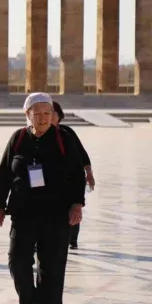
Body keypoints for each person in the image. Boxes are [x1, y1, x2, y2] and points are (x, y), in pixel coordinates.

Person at [0, 92, 86, 304]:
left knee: (52, 265)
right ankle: (28, 303)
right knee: (17, 259)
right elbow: (4, 173)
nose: (44, 118)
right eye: (38, 114)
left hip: (56, 213)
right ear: (28, 115)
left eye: (48, 113)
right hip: (24, 211)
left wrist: (77, 205)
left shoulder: (64, 138)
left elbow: (77, 174)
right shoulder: (18, 138)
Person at [52, 101, 94, 249]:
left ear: (59, 116)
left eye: (51, 113)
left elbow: (82, 154)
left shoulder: (67, 133)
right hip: (49, 185)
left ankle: (72, 239)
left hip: (71, 181)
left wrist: (89, 173)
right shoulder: (31, 134)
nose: (48, 116)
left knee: (73, 209)